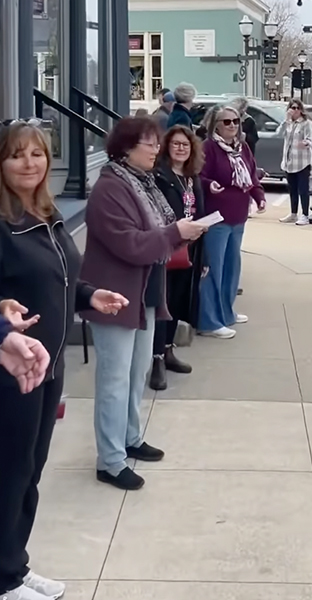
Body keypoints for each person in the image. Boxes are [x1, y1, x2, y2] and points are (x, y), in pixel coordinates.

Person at [0, 122, 128, 600]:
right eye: (16, 155)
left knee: (29, 472)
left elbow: (60, 280)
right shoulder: (4, 225)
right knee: (9, 475)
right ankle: (4, 579)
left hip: (47, 369)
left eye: (37, 154)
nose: (29, 164)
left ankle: (14, 564)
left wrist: (90, 296)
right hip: (11, 372)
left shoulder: (46, 214)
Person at [80, 116, 207, 491]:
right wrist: (175, 232)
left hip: (145, 290)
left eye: (156, 142)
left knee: (136, 374)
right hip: (115, 296)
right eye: (149, 143)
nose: (156, 149)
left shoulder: (145, 183)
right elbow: (130, 244)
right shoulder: (109, 189)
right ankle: (110, 460)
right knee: (115, 379)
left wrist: (181, 234)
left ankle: (130, 438)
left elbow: (158, 234)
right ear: (125, 149)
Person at [199, 105, 266, 339]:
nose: (232, 126)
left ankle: (226, 313)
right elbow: (197, 175)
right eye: (226, 121)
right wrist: (209, 185)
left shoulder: (242, 148)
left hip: (238, 216)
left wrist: (259, 197)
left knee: (232, 268)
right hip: (216, 217)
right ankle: (209, 322)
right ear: (215, 125)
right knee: (213, 270)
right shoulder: (208, 148)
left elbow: (252, 175)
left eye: (236, 121)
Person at [150, 125, 207, 391]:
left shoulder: (192, 177)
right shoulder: (158, 177)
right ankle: (156, 359)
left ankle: (169, 349)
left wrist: (203, 256)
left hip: (190, 250)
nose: (181, 149)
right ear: (167, 147)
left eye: (186, 144)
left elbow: (201, 216)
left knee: (178, 303)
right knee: (163, 303)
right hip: (166, 248)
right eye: (176, 144)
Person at [278, 99, 312, 227]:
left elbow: (310, 140)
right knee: (292, 189)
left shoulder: (305, 124)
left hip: (302, 161)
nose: (296, 110)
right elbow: (280, 133)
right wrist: (287, 119)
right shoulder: (288, 123)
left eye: (298, 108)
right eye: (293, 108)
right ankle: (293, 213)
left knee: (303, 189)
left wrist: (305, 143)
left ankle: (305, 215)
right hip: (289, 161)